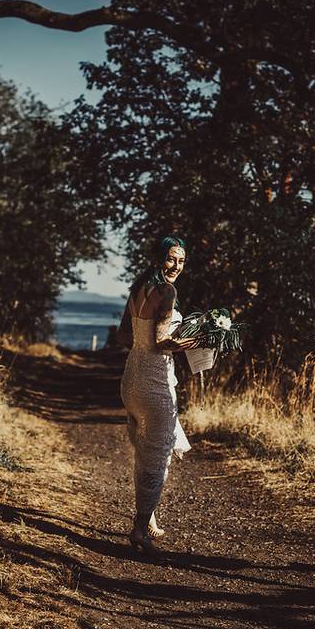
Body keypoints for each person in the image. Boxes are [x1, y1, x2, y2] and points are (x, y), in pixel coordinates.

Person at [117, 236, 200, 554]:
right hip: (155, 384)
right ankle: (139, 531)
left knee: (143, 448)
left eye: (181, 260)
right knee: (157, 458)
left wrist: (151, 343)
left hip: (131, 379)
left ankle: (147, 519)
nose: (176, 266)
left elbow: (127, 335)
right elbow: (160, 342)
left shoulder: (138, 288)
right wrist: (186, 342)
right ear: (158, 258)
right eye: (171, 259)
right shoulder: (167, 292)